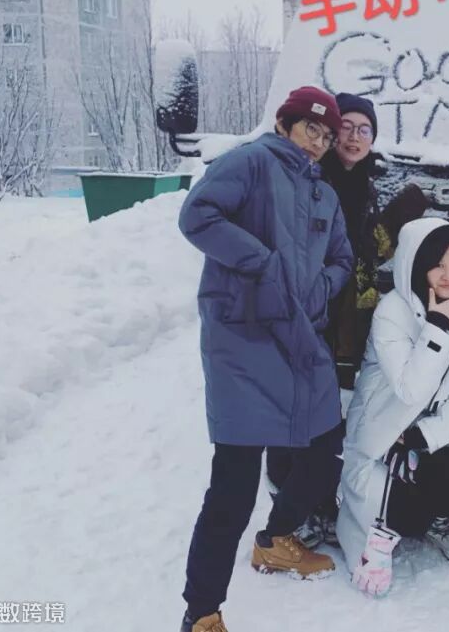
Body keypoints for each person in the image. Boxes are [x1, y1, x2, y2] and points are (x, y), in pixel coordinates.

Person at [176, 86, 353, 632]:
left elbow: (342, 258)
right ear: (284, 124)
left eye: (327, 135)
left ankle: (275, 539)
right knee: (233, 483)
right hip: (243, 339)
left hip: (301, 338)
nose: (318, 142)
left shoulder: (324, 195)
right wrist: (262, 264)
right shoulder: (250, 162)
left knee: (325, 446)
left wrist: (320, 289)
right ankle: (202, 613)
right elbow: (197, 216)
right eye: (310, 129)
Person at [274, 93, 429, 551]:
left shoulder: (365, 182)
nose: (355, 137)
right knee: (297, 422)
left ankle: (320, 506)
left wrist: (394, 222)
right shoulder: (311, 179)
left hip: (346, 321)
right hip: (307, 315)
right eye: (347, 127)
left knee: (329, 421)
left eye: (366, 130)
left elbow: (364, 251)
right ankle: (289, 516)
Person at [337, 218, 449, 598]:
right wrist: (438, 327)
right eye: (438, 265)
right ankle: (377, 537)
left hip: (427, 425)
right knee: (388, 502)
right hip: (382, 426)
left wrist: (428, 434)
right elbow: (410, 390)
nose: (448, 275)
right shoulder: (393, 311)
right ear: (417, 265)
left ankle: (439, 522)